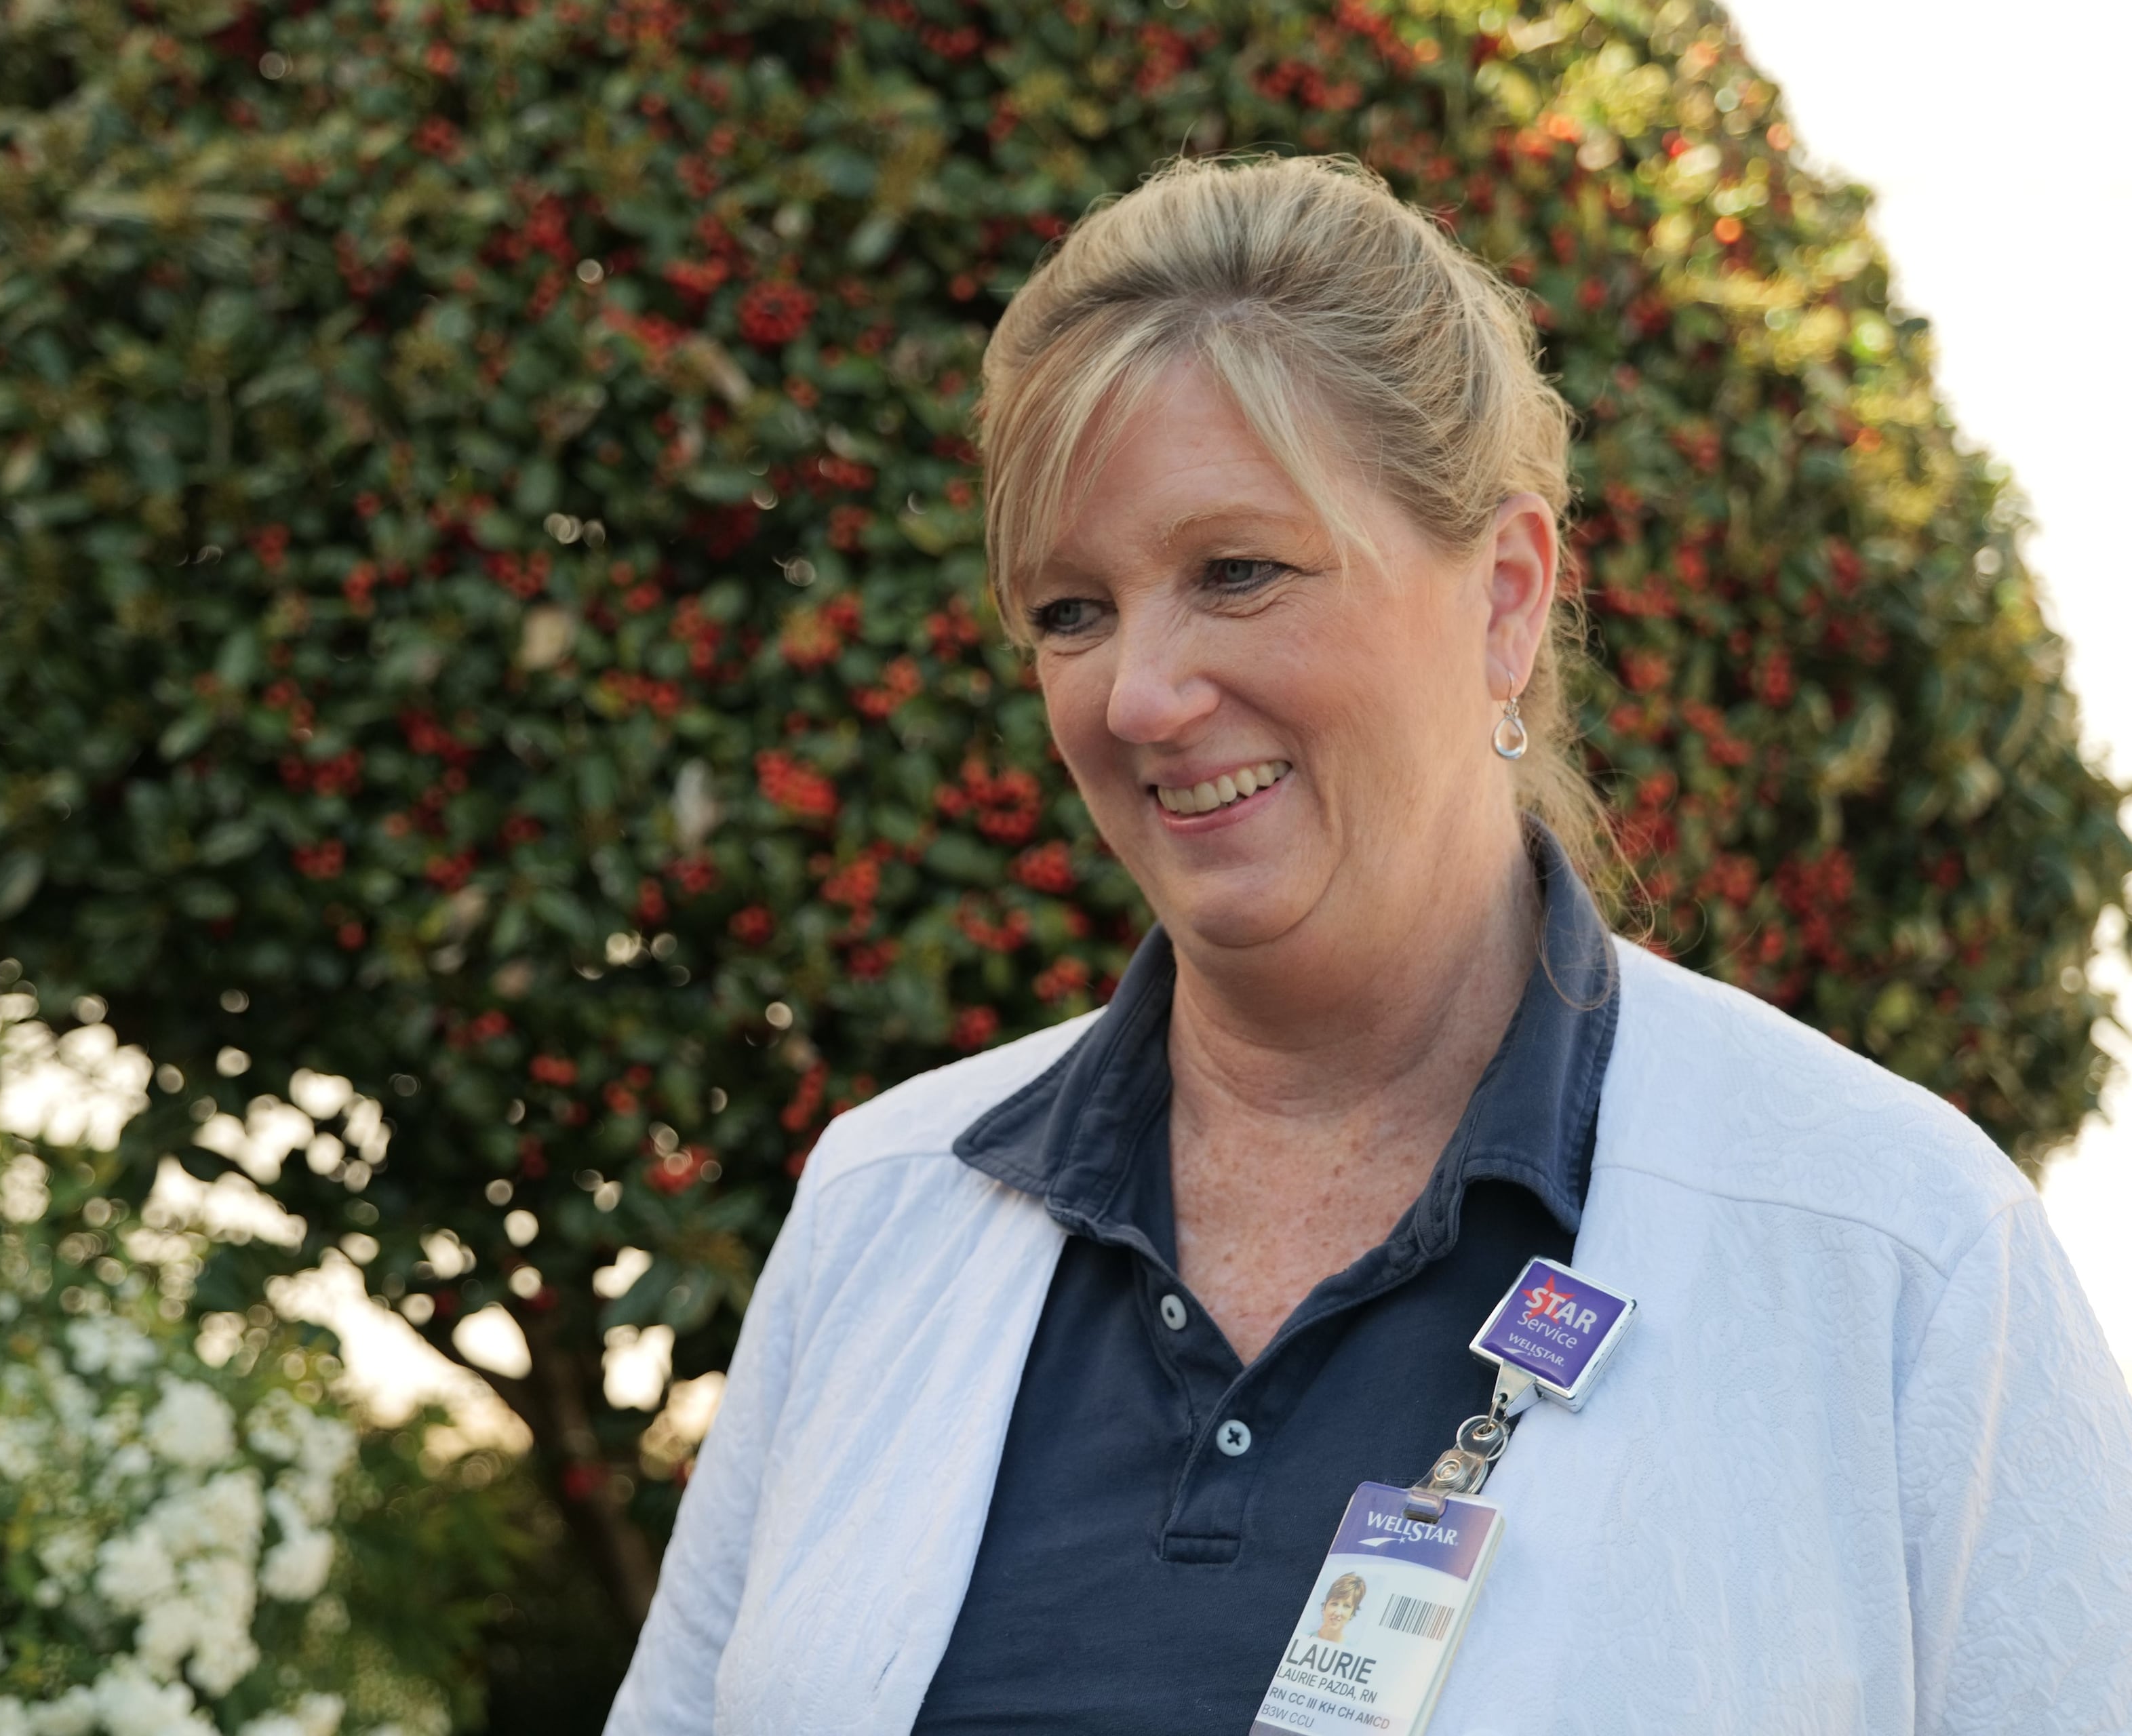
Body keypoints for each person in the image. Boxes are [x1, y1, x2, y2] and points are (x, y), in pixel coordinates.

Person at [605, 154, 2132, 1735]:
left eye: (1237, 571)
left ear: (1504, 598)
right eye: (1071, 610)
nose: (1135, 693)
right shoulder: (880, 1211)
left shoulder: (1892, 1245)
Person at [1313, 1573, 1367, 1646]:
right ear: (1324, 1607)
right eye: (1334, 1604)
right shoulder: (1304, 1637)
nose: (1338, 1613)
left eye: (1346, 1606)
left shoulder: (1351, 1649)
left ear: (1352, 1613)